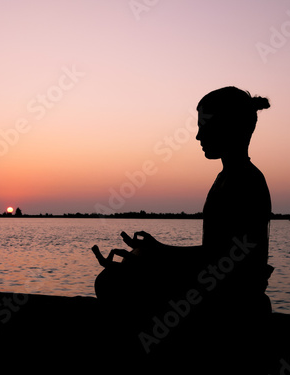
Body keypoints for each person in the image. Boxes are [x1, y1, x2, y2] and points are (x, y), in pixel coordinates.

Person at [91, 86, 273, 367]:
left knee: (111, 284)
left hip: (232, 301)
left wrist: (158, 254)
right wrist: (150, 255)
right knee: (117, 278)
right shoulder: (230, 177)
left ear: (228, 126)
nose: (198, 136)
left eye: (204, 126)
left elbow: (225, 261)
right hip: (221, 289)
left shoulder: (244, 182)